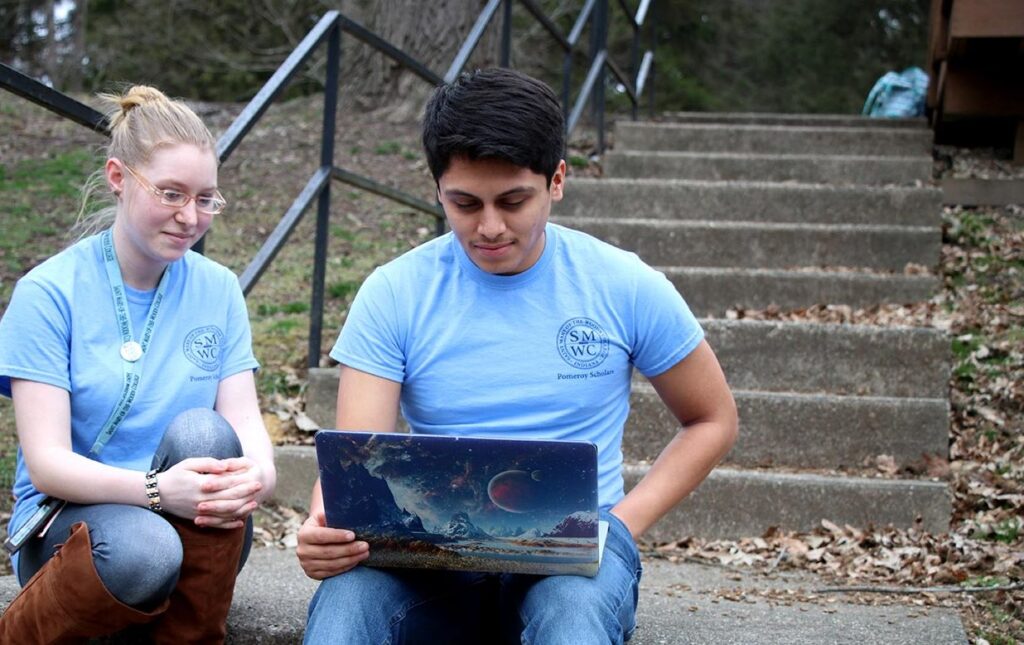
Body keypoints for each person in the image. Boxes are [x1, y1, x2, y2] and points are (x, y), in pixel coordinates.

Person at [296, 68, 737, 644]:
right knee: (345, 603)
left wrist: (619, 527)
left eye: (513, 200)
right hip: (426, 553)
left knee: (573, 617)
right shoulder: (396, 291)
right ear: (437, 191)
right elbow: (357, 459)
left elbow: (712, 419)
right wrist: (324, 528)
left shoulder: (623, 284)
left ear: (556, 180)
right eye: (464, 203)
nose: (489, 227)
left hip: (572, 562)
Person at [0, 85, 276, 643]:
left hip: (196, 525)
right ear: (118, 177)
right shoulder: (49, 293)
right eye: (171, 193)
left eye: (206, 199)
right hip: (74, 525)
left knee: (204, 430)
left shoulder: (218, 289)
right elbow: (49, 463)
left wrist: (261, 476)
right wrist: (157, 492)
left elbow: (244, 424)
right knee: (147, 551)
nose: (190, 217)